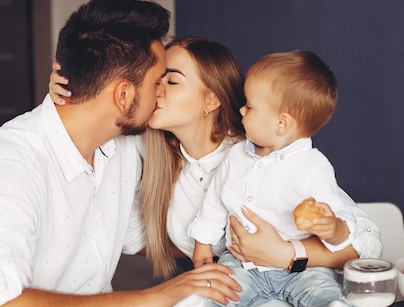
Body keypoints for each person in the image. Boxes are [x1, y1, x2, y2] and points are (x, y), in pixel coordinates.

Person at [0, 0, 241, 307]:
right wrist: (155, 300)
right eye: (156, 82)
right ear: (122, 95)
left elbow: (156, 234)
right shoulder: (13, 161)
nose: (160, 95)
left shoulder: (122, 147)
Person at [49, 38, 382, 280]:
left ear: (210, 100)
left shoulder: (262, 157)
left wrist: (286, 255)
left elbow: (368, 243)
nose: (157, 89)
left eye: (172, 80)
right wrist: (73, 94)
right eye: (157, 79)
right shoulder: (150, 152)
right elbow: (125, 234)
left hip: (296, 296)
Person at [170, 50, 376, 307]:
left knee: (320, 288)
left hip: (302, 268)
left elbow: (343, 224)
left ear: (282, 124)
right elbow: (215, 202)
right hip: (243, 264)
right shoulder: (236, 156)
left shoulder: (313, 167)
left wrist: (333, 228)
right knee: (223, 285)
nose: (240, 111)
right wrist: (202, 244)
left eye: (250, 107)